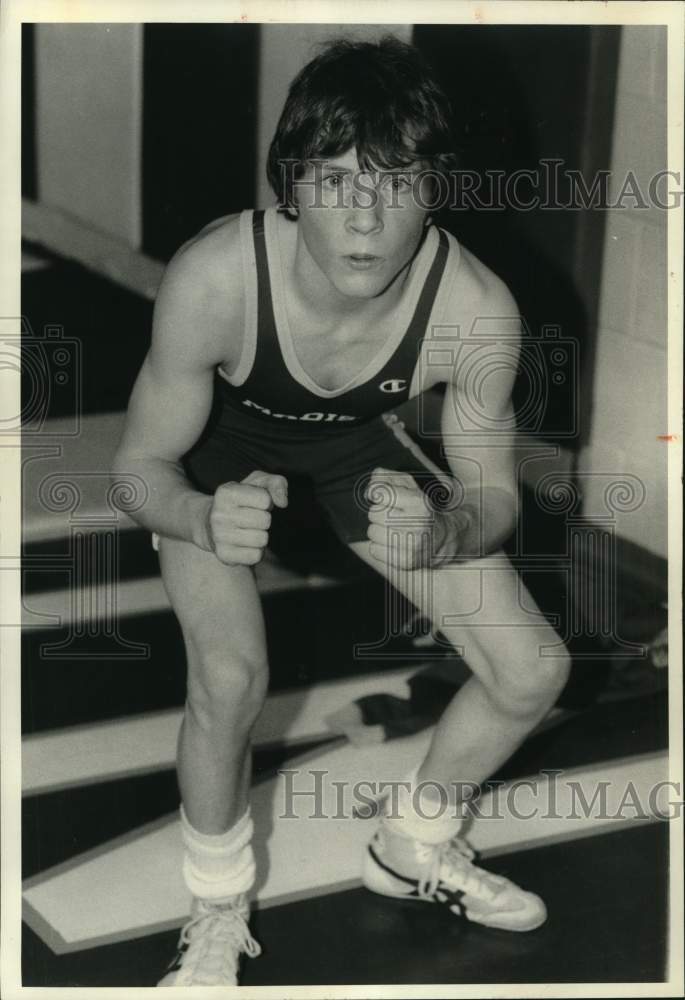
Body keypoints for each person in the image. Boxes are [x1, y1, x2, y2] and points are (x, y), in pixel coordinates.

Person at [112, 37, 570, 987]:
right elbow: (140, 466)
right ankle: (215, 907)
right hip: (214, 457)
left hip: (351, 446)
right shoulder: (216, 276)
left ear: (436, 186)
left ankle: (412, 844)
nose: (363, 217)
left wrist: (443, 529)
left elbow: (491, 493)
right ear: (290, 184)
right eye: (332, 180)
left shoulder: (477, 310)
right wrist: (197, 519)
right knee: (231, 678)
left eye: (394, 182)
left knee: (530, 670)